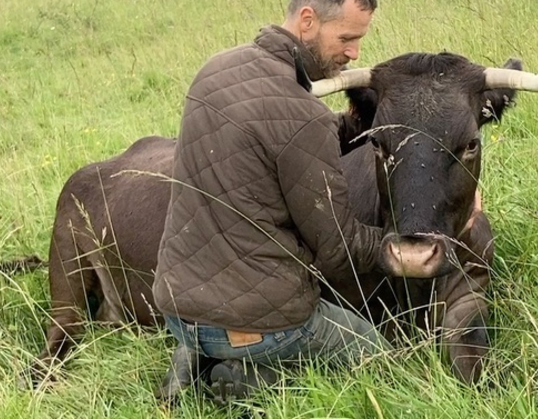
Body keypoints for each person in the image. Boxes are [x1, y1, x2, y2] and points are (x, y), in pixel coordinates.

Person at [152, 0, 389, 405]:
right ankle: (255, 377)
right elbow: (338, 249)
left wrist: (347, 126)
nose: (354, 53)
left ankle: (196, 353)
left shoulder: (214, 71)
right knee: (377, 355)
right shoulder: (303, 116)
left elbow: (268, 139)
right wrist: (396, 244)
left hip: (178, 307)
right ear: (308, 20)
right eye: (347, 38)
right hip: (259, 322)